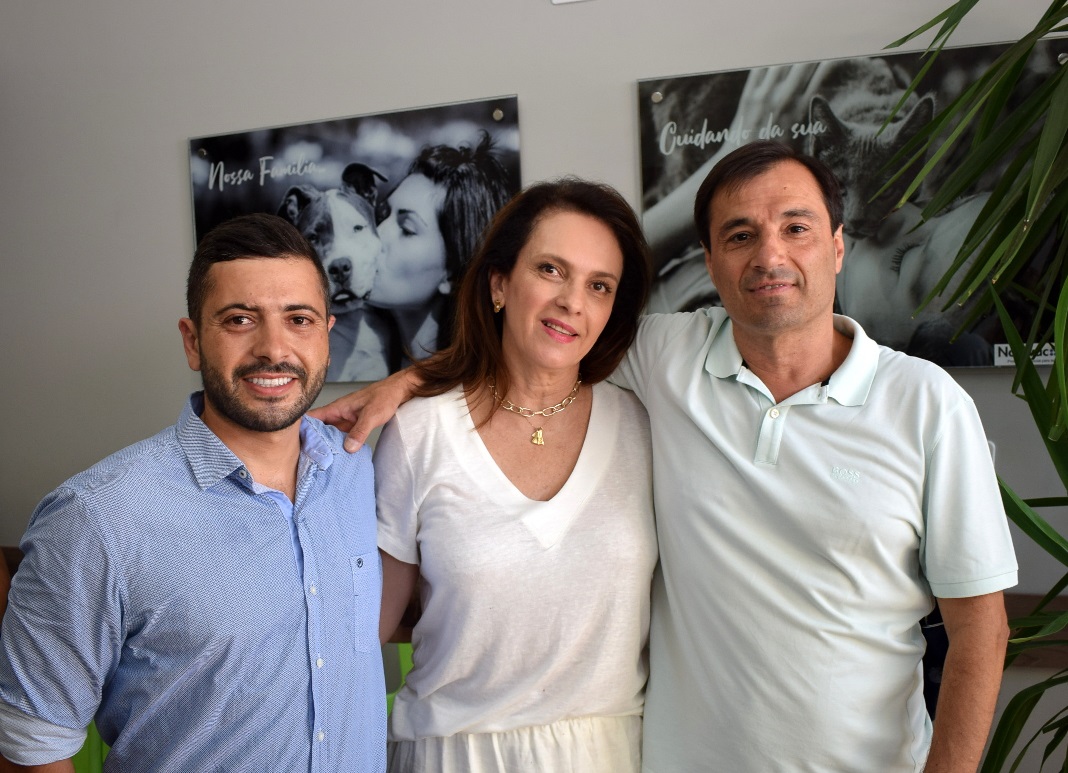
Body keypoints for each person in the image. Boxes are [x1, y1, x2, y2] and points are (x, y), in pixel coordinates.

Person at [314, 142, 1017, 773]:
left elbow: (981, 630)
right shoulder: (666, 359)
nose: (769, 256)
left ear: (837, 246)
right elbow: (540, 344)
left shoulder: (928, 404)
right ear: (710, 261)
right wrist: (410, 383)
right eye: (740, 235)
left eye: (796, 228)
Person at [0, 213, 385, 772]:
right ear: (192, 341)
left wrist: (408, 381)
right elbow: (32, 747)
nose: (273, 348)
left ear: (326, 336)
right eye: (239, 320)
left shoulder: (354, 467)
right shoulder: (95, 519)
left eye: (298, 319)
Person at [373, 178, 656, 772]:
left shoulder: (643, 426)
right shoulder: (419, 432)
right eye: (551, 270)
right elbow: (368, 629)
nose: (572, 302)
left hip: (608, 754)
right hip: (452, 753)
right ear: (499, 283)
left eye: (599, 286)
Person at [368, 131, 513, 364]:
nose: (376, 235)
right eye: (382, 215)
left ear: (453, 274)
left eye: (407, 229)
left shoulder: (477, 382)